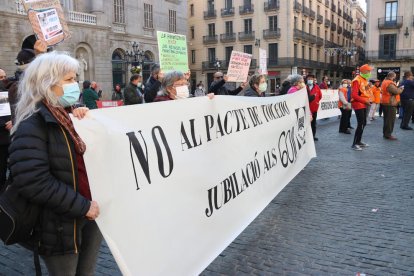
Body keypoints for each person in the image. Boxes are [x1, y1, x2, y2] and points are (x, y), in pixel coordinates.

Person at [8, 51, 102, 275]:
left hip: (90, 214)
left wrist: (87, 123)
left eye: (75, 78)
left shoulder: (70, 116)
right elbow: (32, 181)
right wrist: (83, 206)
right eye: (69, 79)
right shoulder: (32, 124)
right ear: (47, 84)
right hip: (60, 224)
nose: (75, 85)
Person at [350, 64, 373, 150]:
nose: (370, 73)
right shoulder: (357, 80)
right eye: (368, 71)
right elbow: (354, 95)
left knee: (363, 123)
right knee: (361, 123)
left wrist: (368, 87)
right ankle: (354, 144)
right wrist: (365, 101)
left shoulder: (364, 80)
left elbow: (363, 91)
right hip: (358, 104)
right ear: (364, 71)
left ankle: (358, 141)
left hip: (364, 103)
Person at [381, 71, 404, 139]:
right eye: (395, 76)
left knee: (387, 120)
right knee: (390, 120)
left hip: (386, 102)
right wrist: (401, 89)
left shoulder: (385, 81)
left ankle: (386, 134)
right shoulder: (389, 83)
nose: (395, 78)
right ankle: (388, 134)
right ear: (393, 76)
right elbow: (396, 91)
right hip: (390, 103)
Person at [305, 74, 322, 140]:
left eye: (311, 79)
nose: (310, 80)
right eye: (309, 79)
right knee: (306, 123)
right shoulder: (304, 87)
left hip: (314, 108)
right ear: (306, 79)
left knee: (313, 123)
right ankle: (306, 137)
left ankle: (313, 136)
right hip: (306, 108)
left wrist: (316, 102)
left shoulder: (317, 87)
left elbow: (320, 96)